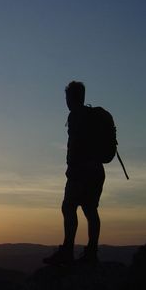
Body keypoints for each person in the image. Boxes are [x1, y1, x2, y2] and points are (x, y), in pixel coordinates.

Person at [43, 81, 105, 266]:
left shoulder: (75, 116)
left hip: (80, 171)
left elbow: (75, 144)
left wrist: (71, 166)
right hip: (96, 171)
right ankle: (91, 252)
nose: (66, 102)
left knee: (69, 207)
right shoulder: (93, 116)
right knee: (90, 210)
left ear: (71, 98)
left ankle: (67, 251)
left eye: (67, 98)